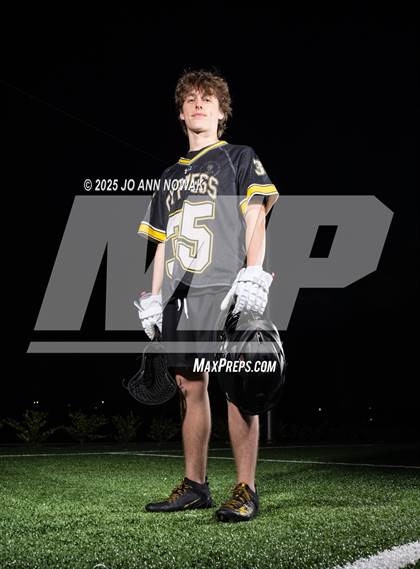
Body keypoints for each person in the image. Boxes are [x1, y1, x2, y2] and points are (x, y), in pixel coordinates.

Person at [136, 69, 279, 522]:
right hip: (181, 296)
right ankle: (195, 485)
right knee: (189, 386)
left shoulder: (238, 156)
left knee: (239, 386)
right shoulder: (168, 176)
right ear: (181, 113)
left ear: (221, 112)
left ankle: (245, 489)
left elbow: (255, 215)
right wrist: (153, 297)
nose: (199, 104)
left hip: (226, 286)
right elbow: (162, 244)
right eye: (191, 99)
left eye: (208, 99)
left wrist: (253, 273)